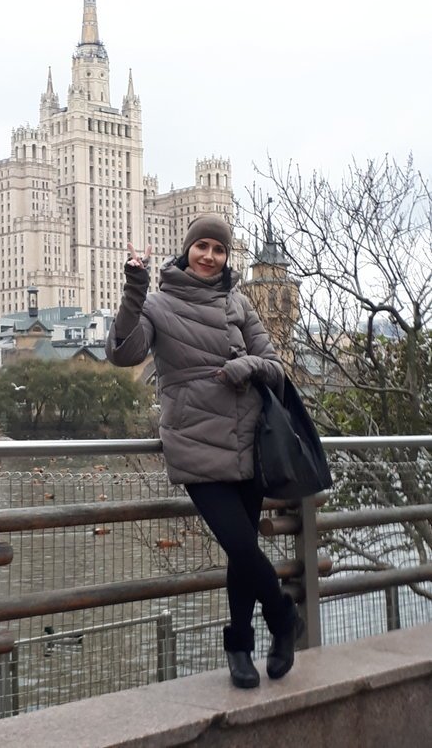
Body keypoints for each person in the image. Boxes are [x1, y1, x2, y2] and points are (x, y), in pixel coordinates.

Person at [106, 215, 304, 689]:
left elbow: (275, 366)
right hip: (195, 445)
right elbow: (123, 353)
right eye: (203, 247)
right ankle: (283, 618)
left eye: (219, 249)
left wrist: (246, 366)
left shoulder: (239, 302)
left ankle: (240, 647)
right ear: (187, 249)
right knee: (241, 544)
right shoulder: (158, 304)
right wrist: (135, 287)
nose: (210, 256)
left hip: (247, 441)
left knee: (242, 553)